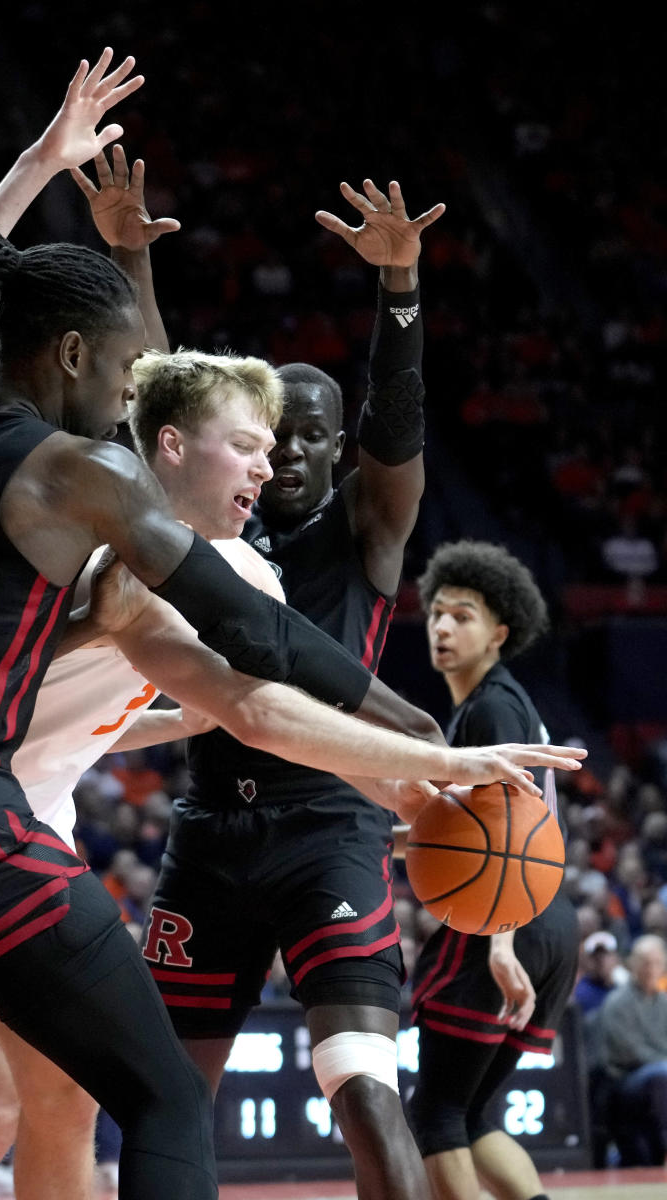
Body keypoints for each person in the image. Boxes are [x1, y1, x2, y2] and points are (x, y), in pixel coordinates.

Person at [0, 51, 584, 1200]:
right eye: (250, 442)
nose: (269, 465)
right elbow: (255, 674)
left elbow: (227, 705)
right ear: (160, 433)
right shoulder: (90, 489)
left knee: (4, 1112)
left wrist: (404, 769)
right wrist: (425, 750)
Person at [137, 172, 444, 1199]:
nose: (293, 454)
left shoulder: (368, 528)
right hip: (211, 830)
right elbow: (163, 401)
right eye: (275, 437)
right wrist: (133, 260)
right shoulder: (216, 525)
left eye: (314, 434)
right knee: (168, 1099)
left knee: (363, 1089)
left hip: (328, 829)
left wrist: (398, 288)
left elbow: (395, 429)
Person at [405, 540, 580, 1200]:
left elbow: (507, 838)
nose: (443, 628)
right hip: (545, 914)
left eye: (463, 616)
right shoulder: (500, 702)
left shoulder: (493, 707)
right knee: (470, 1114)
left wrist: (500, 939)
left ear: (499, 633)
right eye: (437, 614)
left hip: (506, 913)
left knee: (435, 1114)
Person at [596, 933, 667, 1163]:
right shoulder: (617, 1002)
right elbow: (631, 1052)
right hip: (626, 1081)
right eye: (646, 962)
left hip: (659, 1073)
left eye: (657, 963)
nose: (651, 969)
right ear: (633, 964)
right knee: (660, 1076)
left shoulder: (664, 1002)